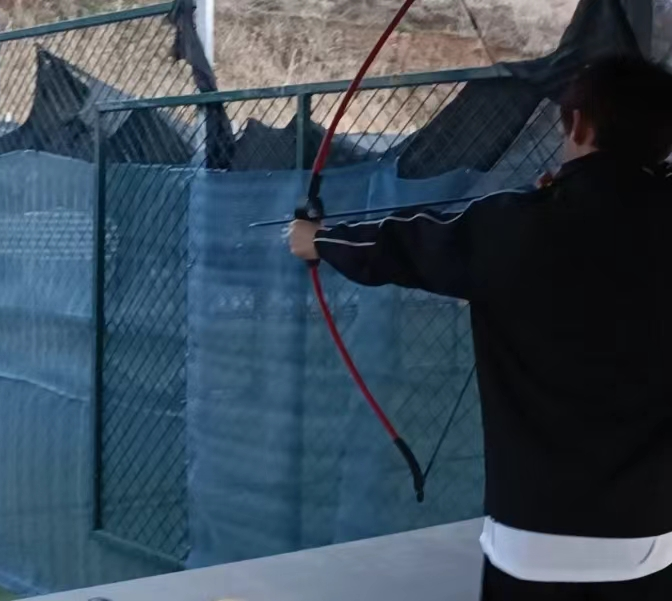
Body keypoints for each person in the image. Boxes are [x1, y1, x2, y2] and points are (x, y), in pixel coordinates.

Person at [287, 55, 672, 600]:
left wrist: (318, 239)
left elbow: (402, 244)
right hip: (648, 535)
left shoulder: (512, 225)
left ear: (579, 124)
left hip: (531, 537)